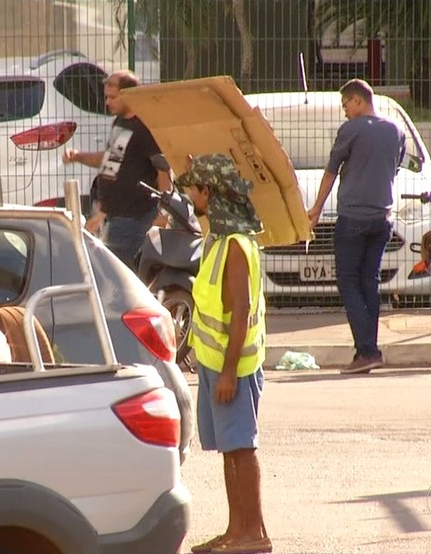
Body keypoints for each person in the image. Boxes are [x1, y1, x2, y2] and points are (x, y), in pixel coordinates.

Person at [180, 154, 272, 554]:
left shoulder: (235, 246)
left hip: (232, 366)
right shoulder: (219, 236)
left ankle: (253, 533)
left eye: (195, 188)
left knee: (241, 447)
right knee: (228, 451)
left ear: (210, 194)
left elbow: (239, 315)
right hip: (215, 363)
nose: (189, 195)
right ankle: (237, 531)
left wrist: (231, 372)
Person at [306, 78, 405, 375]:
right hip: (382, 220)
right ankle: (366, 350)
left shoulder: (350, 130)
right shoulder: (396, 131)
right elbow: (394, 167)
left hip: (353, 219)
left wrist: (315, 210)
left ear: (358, 100)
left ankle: (368, 350)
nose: (345, 111)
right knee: (369, 283)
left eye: (346, 104)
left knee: (348, 282)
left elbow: (330, 172)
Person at [63, 70, 171, 269]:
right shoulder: (120, 122)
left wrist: (164, 214)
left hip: (135, 217)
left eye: (112, 97)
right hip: (114, 216)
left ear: (129, 95)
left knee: (119, 276)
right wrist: (78, 156)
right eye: (106, 97)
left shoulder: (144, 127)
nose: (107, 103)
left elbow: (163, 171)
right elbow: (110, 161)